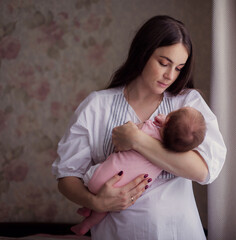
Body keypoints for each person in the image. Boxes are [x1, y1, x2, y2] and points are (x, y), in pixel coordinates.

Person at [52, 15, 226, 239]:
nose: (170, 76)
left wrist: (138, 140)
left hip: (177, 232)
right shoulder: (97, 105)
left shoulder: (187, 104)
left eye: (179, 68)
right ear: (143, 53)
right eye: (163, 63)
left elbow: (203, 171)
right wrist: (95, 202)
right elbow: (67, 176)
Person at [70, 107, 207, 236]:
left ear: (168, 120)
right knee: (107, 208)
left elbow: (127, 134)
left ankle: (89, 205)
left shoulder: (147, 128)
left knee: (97, 185)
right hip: (120, 193)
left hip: (97, 178)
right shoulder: (170, 158)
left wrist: (158, 123)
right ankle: (87, 224)